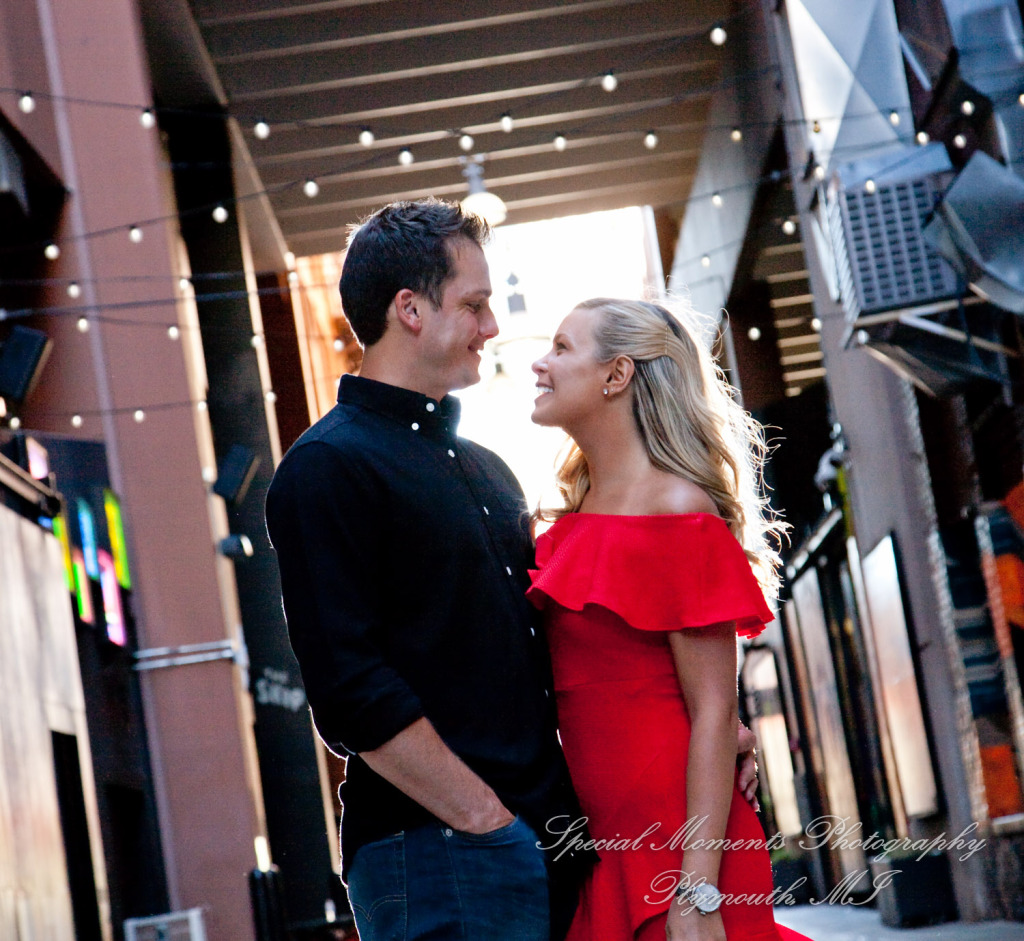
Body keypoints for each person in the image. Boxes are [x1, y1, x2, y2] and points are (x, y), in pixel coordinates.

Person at [265, 199, 760, 941]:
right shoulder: (326, 467)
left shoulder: (489, 472)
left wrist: (711, 726)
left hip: (556, 847)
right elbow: (347, 691)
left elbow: (573, 650)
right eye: (475, 305)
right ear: (409, 309)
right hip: (438, 847)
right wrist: (483, 818)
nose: (494, 328)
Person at [527, 298, 812, 941]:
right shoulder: (566, 525)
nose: (541, 365)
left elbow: (713, 710)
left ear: (617, 374)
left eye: (562, 347)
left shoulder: (678, 509)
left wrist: (699, 888)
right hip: (606, 842)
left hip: (680, 849)